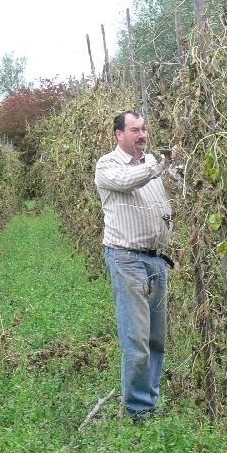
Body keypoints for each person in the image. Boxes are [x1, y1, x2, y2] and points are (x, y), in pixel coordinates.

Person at [95, 110, 173, 422]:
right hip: (127, 259)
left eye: (144, 129)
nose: (142, 135)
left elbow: (163, 195)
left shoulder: (149, 166)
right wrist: (157, 165)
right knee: (137, 338)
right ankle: (138, 411)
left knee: (156, 338)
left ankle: (148, 402)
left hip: (155, 258)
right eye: (134, 130)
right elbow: (128, 182)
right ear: (118, 134)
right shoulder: (108, 166)